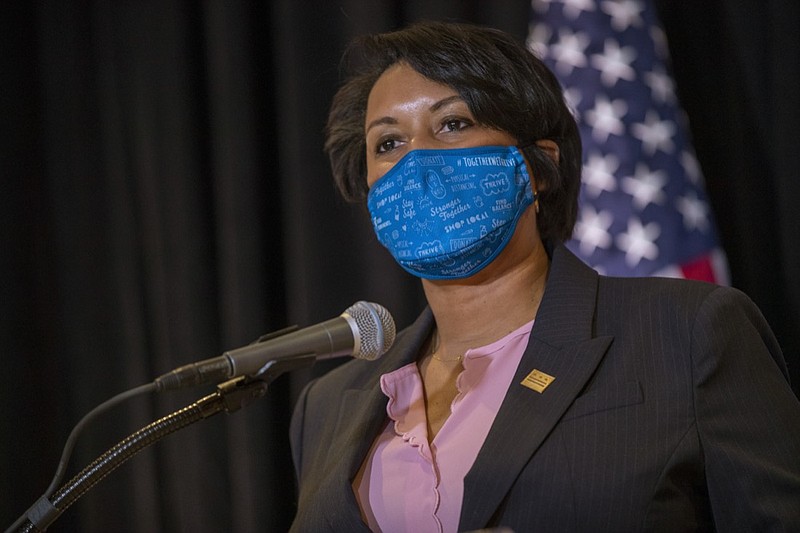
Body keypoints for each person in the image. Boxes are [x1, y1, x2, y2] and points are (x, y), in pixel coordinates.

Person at [289, 21, 800, 532]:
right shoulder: (328, 405)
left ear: (536, 168)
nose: (417, 161)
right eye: (388, 143)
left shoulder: (687, 334)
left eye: (453, 124)